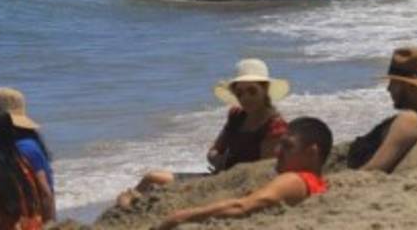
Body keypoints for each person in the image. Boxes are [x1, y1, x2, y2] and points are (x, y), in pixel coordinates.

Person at [117, 58, 289, 209]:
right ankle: (127, 205)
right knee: (150, 178)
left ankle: (128, 206)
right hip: (218, 178)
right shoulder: (237, 116)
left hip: (235, 188)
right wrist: (217, 159)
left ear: (265, 91)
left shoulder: (275, 126)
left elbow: (263, 172)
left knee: (153, 180)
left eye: (252, 91)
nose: (245, 98)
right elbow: (213, 150)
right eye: (240, 93)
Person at [154, 117, 331, 229]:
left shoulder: (294, 179)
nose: (278, 151)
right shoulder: (316, 182)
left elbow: (241, 207)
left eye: (287, 146)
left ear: (312, 152)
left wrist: (179, 217)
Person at [346, 47, 417, 172]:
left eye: (393, 83)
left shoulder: (410, 120)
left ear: (410, 85)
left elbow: (374, 169)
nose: (389, 89)